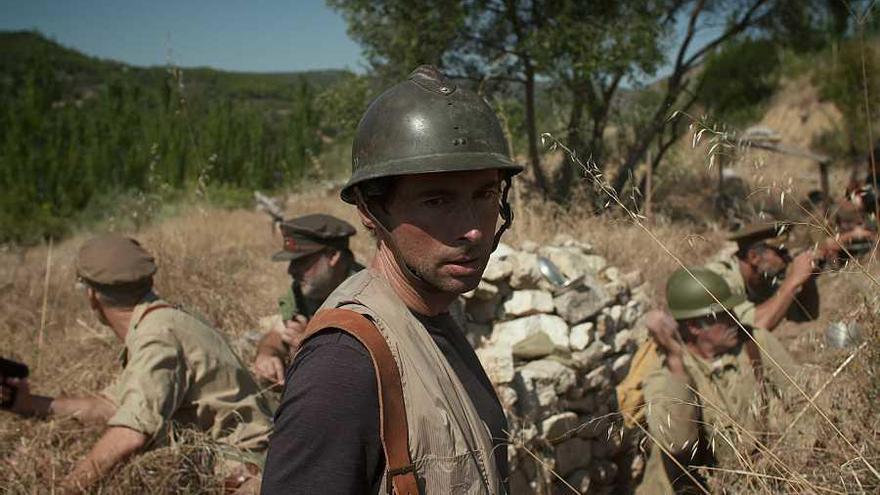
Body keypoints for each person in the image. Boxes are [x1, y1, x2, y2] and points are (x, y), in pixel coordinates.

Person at [261, 65, 522, 494]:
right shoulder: (343, 363)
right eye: (436, 200)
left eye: (485, 194)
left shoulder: (431, 315)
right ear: (370, 209)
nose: (473, 229)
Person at [1, 235, 273, 492]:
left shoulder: (156, 335)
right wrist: (28, 404)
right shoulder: (162, 320)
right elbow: (115, 408)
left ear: (92, 296)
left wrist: (63, 490)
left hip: (248, 480)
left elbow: (130, 434)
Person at [637, 267, 805, 494]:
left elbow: (807, 398)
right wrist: (676, 362)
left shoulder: (755, 343)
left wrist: (797, 458)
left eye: (732, 311)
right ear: (694, 327)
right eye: (722, 316)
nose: (734, 320)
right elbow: (679, 444)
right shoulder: (664, 374)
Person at [252, 214, 361, 385]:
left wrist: (310, 345)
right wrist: (268, 353)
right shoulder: (305, 290)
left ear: (332, 256)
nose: (291, 270)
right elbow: (277, 332)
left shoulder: (367, 299)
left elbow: (359, 373)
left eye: (301, 261)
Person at [704, 223, 819, 330]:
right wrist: (793, 281)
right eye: (781, 253)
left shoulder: (761, 280)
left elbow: (806, 314)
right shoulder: (719, 279)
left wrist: (808, 280)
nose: (788, 258)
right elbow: (754, 326)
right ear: (754, 257)